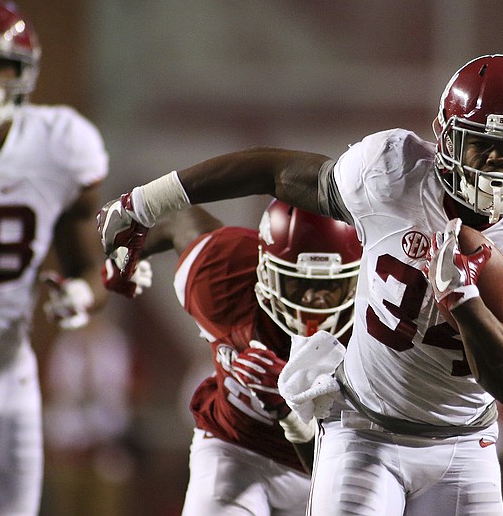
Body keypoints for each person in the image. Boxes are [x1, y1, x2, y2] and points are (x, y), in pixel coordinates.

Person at [98, 54, 503, 515]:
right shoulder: (394, 175)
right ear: (446, 137)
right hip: (365, 431)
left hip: (465, 447)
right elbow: (273, 172)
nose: (495, 170)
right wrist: (146, 201)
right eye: (483, 146)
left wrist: (462, 301)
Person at [0, 0, 145, 516]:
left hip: (8, 380)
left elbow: (89, 268)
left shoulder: (59, 144)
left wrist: (81, 294)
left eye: (3, 67)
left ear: (26, 73)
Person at [105, 199, 361, 515]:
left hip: (325, 464)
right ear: (265, 271)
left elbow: (339, 461)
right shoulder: (224, 274)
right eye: (298, 284)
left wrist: (289, 415)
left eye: (330, 287)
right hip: (236, 447)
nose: (313, 306)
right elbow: (178, 217)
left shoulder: (375, 329)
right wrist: (120, 258)